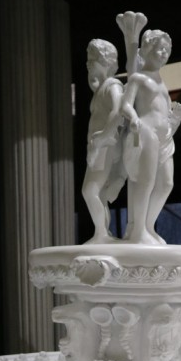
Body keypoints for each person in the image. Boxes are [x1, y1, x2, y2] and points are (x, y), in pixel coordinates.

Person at [119, 29, 181, 244]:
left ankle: (148, 226)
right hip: (146, 132)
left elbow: (163, 113)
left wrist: (175, 120)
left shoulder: (162, 82)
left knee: (166, 184)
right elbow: (125, 105)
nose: (164, 53)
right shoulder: (138, 78)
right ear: (147, 49)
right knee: (145, 182)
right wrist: (133, 118)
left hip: (165, 139)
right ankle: (138, 231)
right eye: (160, 48)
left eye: (167, 49)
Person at [81, 38, 126, 243]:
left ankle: (101, 234)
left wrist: (103, 138)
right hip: (99, 146)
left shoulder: (112, 85)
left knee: (90, 191)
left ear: (105, 60)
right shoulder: (102, 88)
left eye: (93, 58)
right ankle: (102, 233)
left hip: (104, 146)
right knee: (98, 193)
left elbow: (118, 111)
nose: (88, 63)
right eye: (88, 58)